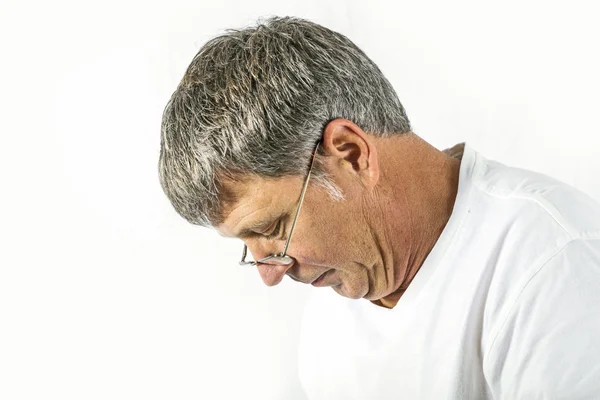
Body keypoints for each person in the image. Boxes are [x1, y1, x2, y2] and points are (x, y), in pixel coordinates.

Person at [158, 16, 600, 399]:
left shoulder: (554, 262)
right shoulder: (335, 302)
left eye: (273, 227)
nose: (271, 273)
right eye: (246, 246)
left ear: (351, 154)